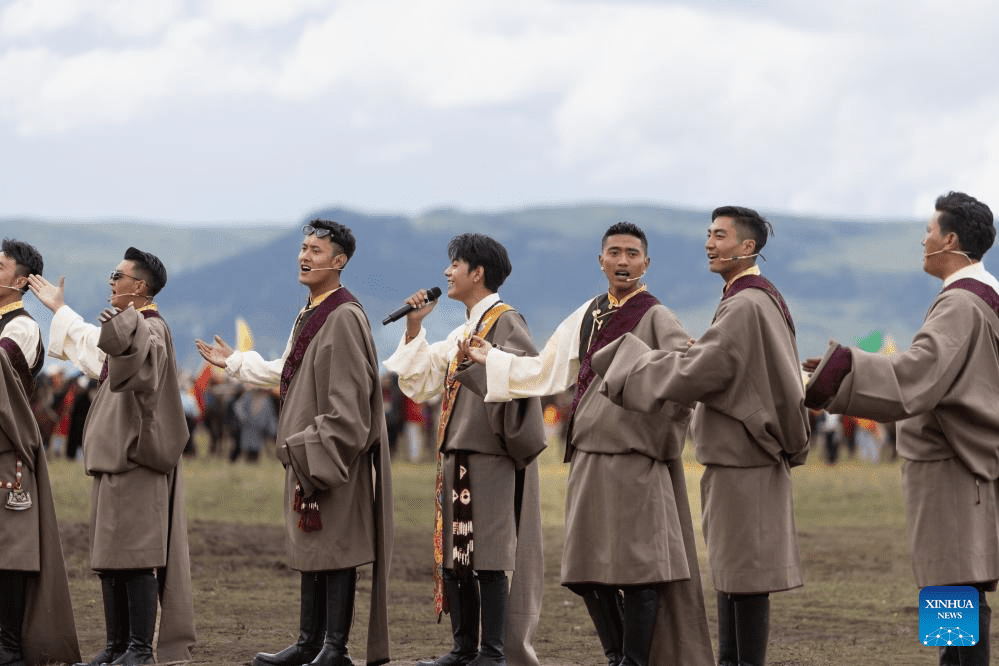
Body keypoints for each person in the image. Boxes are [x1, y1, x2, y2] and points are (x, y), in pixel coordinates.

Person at [463, 222, 714, 666]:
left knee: (640, 572)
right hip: (587, 456)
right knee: (584, 573)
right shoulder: (590, 313)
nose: (623, 261)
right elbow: (546, 369)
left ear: (646, 263)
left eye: (632, 254)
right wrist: (492, 358)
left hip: (636, 458)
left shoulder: (656, 315)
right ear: (601, 261)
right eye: (614, 252)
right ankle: (617, 654)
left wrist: (650, 428)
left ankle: (632, 661)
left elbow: (684, 376)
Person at [589, 210, 809, 666]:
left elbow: (703, 369)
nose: (709, 243)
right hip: (743, 459)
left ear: (746, 248)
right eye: (708, 234)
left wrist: (629, 364)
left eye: (720, 236)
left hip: (745, 460)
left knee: (744, 577)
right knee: (735, 574)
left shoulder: (746, 303)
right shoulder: (751, 299)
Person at [804, 191, 999, 666]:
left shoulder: (960, 304)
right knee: (956, 584)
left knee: (953, 585)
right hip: (960, 467)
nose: (923, 239)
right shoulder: (981, 296)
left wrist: (841, 370)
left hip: (950, 468)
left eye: (929, 231)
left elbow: (916, 376)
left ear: (949, 239)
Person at [196, 219, 393, 666]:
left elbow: (349, 405)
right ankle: (309, 642)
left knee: (337, 545)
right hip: (309, 451)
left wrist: (318, 450)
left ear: (339, 262)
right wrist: (236, 363)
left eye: (316, 251)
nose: (305, 257)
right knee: (316, 544)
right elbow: (286, 367)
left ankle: (334, 648)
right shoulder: (312, 310)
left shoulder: (343, 316)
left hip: (330, 454)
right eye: (303, 248)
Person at [384, 233, 546, 666]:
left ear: (477, 272)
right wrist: (415, 325)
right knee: (459, 553)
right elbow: (419, 380)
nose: (446, 272)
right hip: (458, 452)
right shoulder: (466, 328)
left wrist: (490, 358)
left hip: (489, 452)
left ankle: (491, 652)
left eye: (454, 264)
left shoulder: (507, 321)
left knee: (488, 553)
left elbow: (526, 378)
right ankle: (462, 649)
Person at [28, 247, 196, 666]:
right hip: (114, 462)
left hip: (136, 461)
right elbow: (94, 348)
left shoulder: (152, 329)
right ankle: (117, 645)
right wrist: (61, 310)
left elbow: (135, 367)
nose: (111, 282)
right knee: (110, 556)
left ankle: (138, 648)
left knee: (136, 554)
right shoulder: (133, 327)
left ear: (139, 286)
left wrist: (125, 332)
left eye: (117, 276)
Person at [0, 239, 80, 666]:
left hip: (6, 446)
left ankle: (9, 643)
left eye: (0, 265)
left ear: (21, 280)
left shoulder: (23, 326)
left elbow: (2, 365)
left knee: (10, 548)